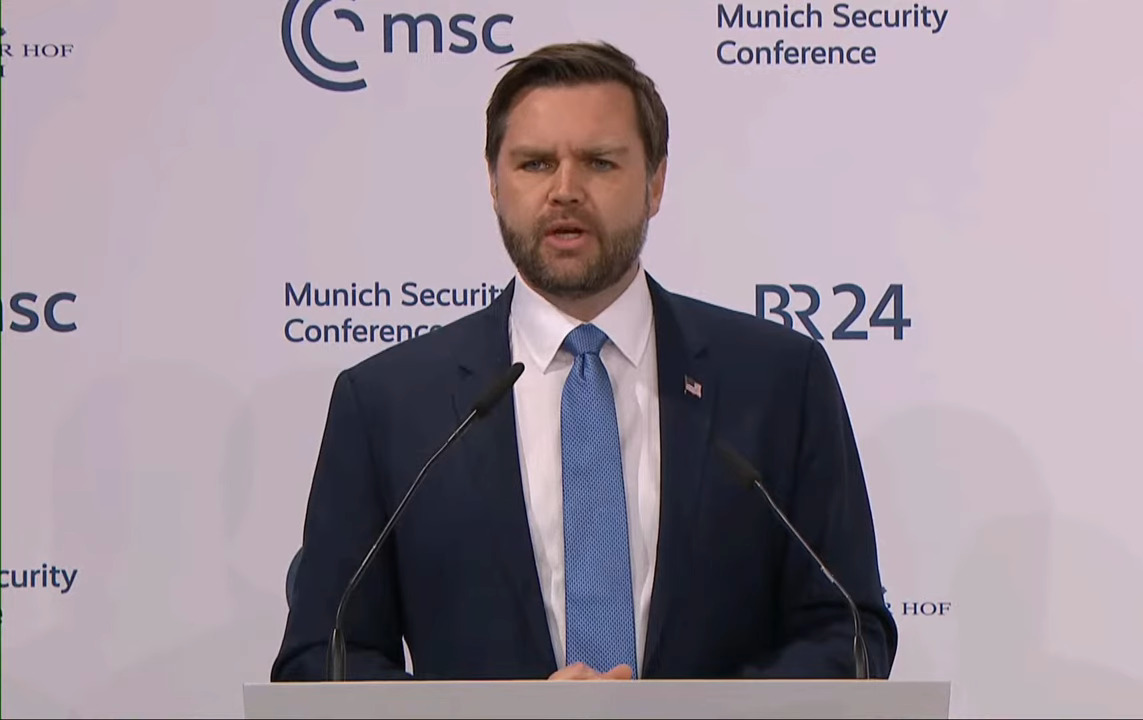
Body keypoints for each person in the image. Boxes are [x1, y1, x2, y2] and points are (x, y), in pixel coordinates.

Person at [271, 40, 897, 682]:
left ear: (655, 184)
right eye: (535, 164)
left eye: (599, 162)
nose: (565, 191)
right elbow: (323, 660)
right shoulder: (390, 403)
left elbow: (849, 632)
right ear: (493, 184)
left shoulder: (779, 382)